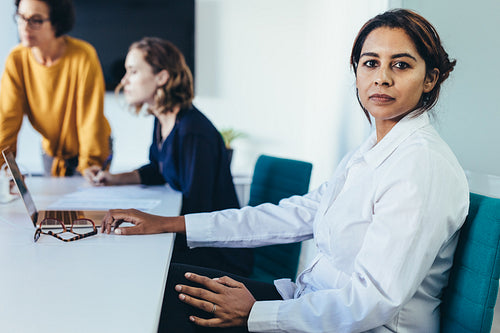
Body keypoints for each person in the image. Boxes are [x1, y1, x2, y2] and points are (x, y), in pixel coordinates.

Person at [100, 9, 469, 332]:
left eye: (401, 65)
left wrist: (257, 313)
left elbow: (372, 301)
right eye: (370, 63)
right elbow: (297, 214)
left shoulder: (422, 166)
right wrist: (171, 224)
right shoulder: (372, 149)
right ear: (356, 71)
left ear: (430, 78)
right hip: (312, 306)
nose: (382, 77)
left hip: (360, 326)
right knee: (158, 284)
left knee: (158, 305)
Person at [84, 37, 253, 277]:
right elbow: (158, 168)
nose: (124, 81)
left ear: (161, 77)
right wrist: (113, 178)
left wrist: (154, 222)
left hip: (217, 254)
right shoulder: (164, 119)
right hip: (194, 241)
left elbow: (198, 209)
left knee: (127, 264)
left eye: (133, 71)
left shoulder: (193, 131)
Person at [0, 0, 111, 177]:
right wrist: (6, 168)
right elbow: (6, 120)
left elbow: (90, 119)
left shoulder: (83, 56)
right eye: (21, 18)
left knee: (87, 200)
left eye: (36, 20)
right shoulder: (16, 59)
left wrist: (91, 163)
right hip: (52, 152)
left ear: (57, 23)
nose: (25, 27)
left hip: (93, 149)